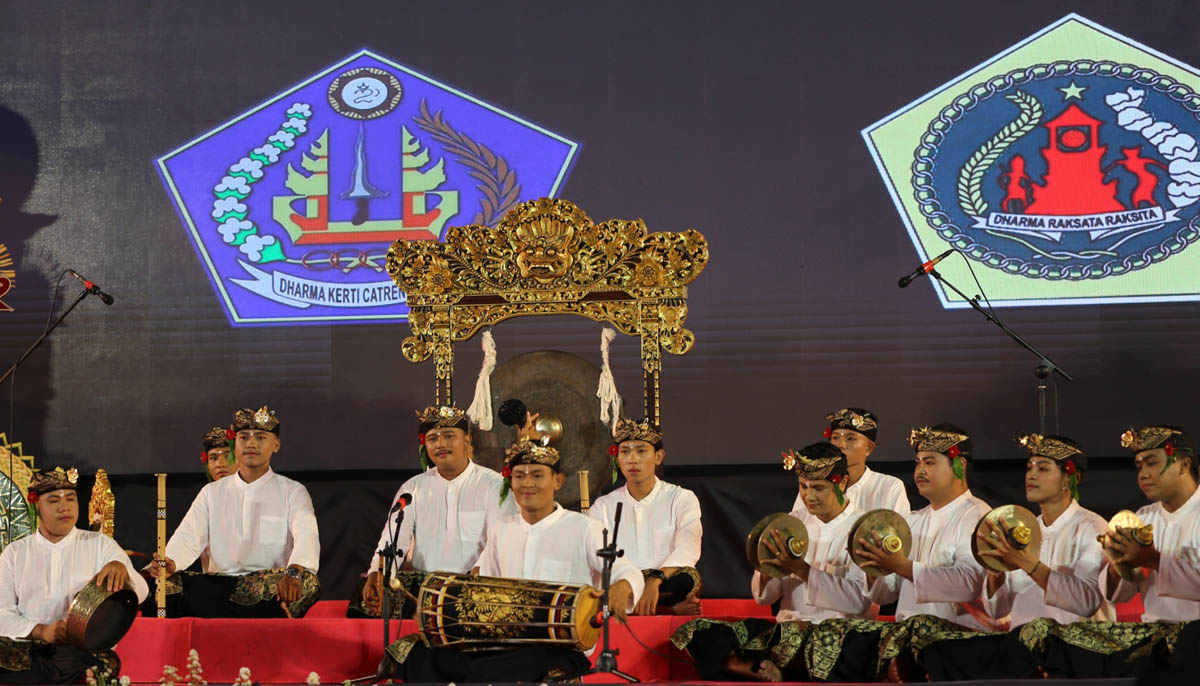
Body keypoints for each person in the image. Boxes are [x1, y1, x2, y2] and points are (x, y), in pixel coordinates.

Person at [388, 438, 644, 682]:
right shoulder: (503, 529)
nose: (527, 483)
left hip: (561, 645)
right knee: (425, 653)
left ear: (558, 481)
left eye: (537, 475)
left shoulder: (586, 528)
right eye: (519, 476)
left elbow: (629, 572)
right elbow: (481, 580)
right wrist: (446, 609)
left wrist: (621, 589)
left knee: (518, 664)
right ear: (510, 482)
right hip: (505, 639)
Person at [672, 442, 871, 681]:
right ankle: (763, 667)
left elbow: (858, 602)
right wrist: (765, 568)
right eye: (803, 486)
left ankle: (771, 667)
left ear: (841, 483)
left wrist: (802, 570)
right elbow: (763, 598)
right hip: (785, 631)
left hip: (834, 635)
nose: (808, 496)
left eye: (818, 488)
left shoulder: (864, 529)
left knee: (820, 641)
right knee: (698, 631)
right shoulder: (791, 522)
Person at [147, 406, 321, 618]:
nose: (251, 444)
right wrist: (171, 562)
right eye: (244, 437)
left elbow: (307, 536)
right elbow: (188, 538)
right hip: (218, 586)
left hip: (270, 586)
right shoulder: (211, 492)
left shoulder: (292, 491)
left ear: (276, 445)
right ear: (235, 444)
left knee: (308, 582)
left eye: (260, 437)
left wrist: (294, 572)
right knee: (165, 585)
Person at [352, 405, 514, 619]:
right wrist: (378, 572)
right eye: (432, 438)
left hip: (471, 585)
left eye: (448, 436)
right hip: (424, 588)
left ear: (467, 440)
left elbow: (500, 542)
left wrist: (476, 577)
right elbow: (392, 541)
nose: (440, 444)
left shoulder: (494, 485)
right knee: (366, 599)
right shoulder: (413, 488)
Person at [0, 467, 148, 683]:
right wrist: (41, 631)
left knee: (93, 670)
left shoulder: (99, 544)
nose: (64, 507)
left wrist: (121, 569)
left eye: (70, 498)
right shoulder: (15, 553)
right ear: (36, 504)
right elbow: (1, 612)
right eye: (53, 500)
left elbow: (141, 592)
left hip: (82, 653)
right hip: (29, 652)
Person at [854, 424, 992, 630]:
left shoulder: (979, 517)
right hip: (907, 637)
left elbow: (969, 583)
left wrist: (901, 565)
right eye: (918, 463)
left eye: (930, 462)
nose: (921, 470)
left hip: (960, 639)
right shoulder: (913, 520)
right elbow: (885, 595)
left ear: (959, 465)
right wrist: (875, 566)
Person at [980, 433, 1110, 626]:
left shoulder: (1093, 527)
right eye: (1029, 468)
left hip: (1076, 648)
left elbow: (1087, 602)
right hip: (1024, 646)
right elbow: (996, 610)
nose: (1031, 475)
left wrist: (1028, 564)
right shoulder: (1024, 529)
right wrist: (995, 569)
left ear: (1069, 478)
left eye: (1043, 468)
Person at [589, 418, 702, 615]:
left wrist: (654, 581)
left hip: (663, 582)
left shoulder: (681, 498)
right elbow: (596, 557)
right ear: (617, 458)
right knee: (595, 584)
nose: (632, 459)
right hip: (622, 584)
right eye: (625, 452)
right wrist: (629, 582)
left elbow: (688, 550)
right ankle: (667, 610)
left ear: (658, 456)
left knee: (689, 578)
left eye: (641, 451)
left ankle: (639, 607)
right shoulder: (603, 506)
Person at [1101, 425, 1200, 621]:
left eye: (1152, 463)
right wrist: (1118, 561)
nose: (1143, 474)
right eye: (1139, 467)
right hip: (1154, 636)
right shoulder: (1142, 518)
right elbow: (1121, 594)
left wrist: (1153, 560)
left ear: (1184, 465)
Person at [791, 408, 909, 517]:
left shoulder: (889, 487)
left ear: (869, 448)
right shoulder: (815, 484)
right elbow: (800, 526)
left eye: (850, 438)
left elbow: (902, 533)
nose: (840, 445)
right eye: (835, 438)